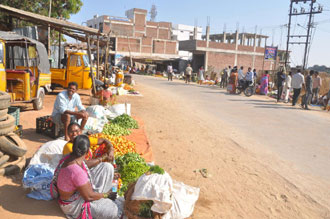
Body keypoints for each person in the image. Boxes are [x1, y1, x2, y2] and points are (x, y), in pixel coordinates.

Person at [51, 135, 122, 219]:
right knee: (115, 211)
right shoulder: (77, 172)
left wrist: (104, 157)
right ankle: (101, 198)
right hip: (74, 204)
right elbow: (89, 197)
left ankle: (100, 197)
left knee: (107, 167)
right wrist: (106, 195)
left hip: (81, 191)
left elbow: (86, 164)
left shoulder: (70, 157)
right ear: (88, 151)